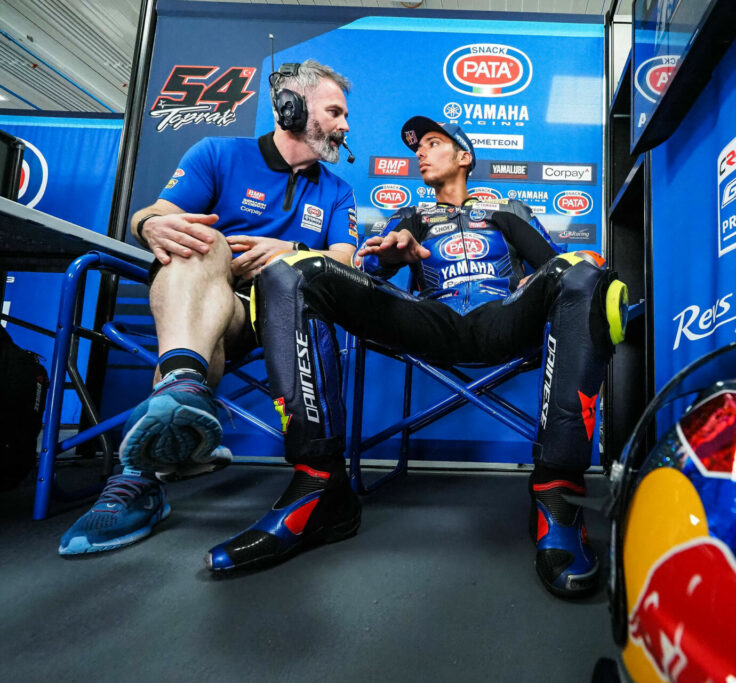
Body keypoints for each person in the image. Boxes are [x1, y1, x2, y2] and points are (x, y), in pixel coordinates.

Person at [209, 116, 628, 598]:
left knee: (584, 272)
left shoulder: (508, 209)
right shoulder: (410, 216)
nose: (420, 155)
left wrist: (538, 282)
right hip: (431, 320)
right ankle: (319, 486)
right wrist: (393, 252)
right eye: (417, 149)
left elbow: (557, 265)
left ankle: (558, 493)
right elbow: (367, 272)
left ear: (465, 156)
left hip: (503, 319)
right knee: (291, 272)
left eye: (433, 144)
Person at [59, 59, 359, 555]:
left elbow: (346, 262)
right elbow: (158, 216)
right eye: (335, 111)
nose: (346, 125)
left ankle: (140, 473)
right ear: (291, 107)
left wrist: (289, 254)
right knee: (203, 243)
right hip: (208, 304)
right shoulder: (219, 153)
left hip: (283, 321)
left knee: (216, 273)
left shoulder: (337, 190)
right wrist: (147, 225)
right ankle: (182, 395)